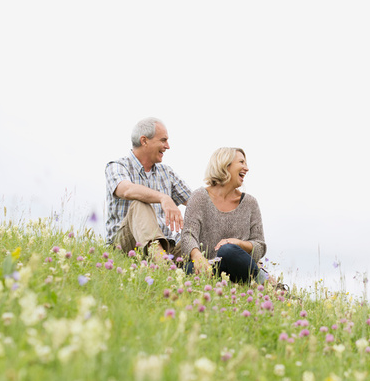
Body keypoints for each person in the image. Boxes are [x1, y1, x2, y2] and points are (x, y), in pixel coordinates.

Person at [178, 147, 276, 285]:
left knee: (228, 250)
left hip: (238, 266)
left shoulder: (250, 203)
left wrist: (238, 243)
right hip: (207, 267)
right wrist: (197, 256)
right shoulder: (199, 197)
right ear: (225, 165)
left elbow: (260, 247)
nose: (246, 168)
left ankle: (268, 286)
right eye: (241, 162)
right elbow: (188, 236)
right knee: (187, 271)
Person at [105, 117, 192, 259]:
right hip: (127, 245)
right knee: (139, 204)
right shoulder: (117, 166)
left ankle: (219, 274)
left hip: (168, 245)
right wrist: (163, 198)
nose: (168, 146)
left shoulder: (166, 172)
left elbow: (194, 201)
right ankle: (163, 267)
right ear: (144, 141)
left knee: (200, 235)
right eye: (163, 140)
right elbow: (126, 190)